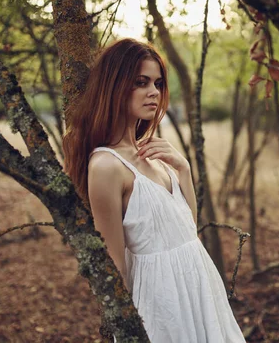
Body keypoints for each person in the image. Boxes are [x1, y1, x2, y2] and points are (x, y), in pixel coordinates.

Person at [63, 38, 245, 342]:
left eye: (158, 83)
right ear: (115, 85)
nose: (154, 93)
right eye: (141, 82)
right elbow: (115, 264)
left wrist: (183, 169)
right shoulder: (107, 166)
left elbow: (188, 229)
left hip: (200, 285)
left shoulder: (152, 151)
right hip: (163, 302)